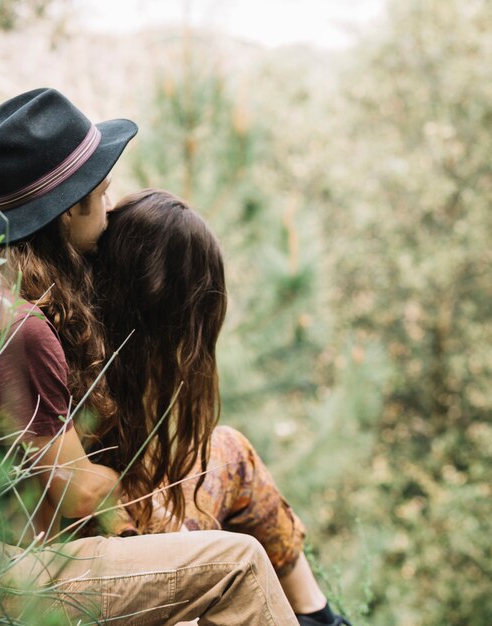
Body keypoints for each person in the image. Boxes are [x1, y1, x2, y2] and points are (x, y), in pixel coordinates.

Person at [0, 88, 298, 625]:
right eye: (104, 190)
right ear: (72, 207)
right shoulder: (17, 327)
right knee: (239, 564)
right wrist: (142, 516)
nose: (112, 206)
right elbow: (77, 493)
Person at [91, 189, 352, 626]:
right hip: (119, 561)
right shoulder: (82, 375)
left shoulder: (117, 347)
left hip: (147, 517)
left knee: (231, 451)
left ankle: (320, 615)